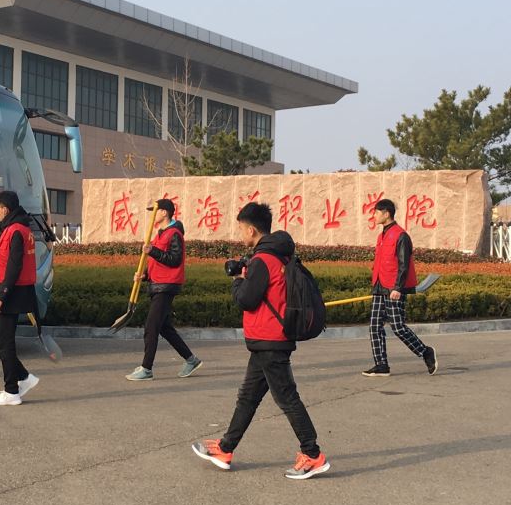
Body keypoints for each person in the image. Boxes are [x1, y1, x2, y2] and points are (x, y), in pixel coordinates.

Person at [191, 201, 329, 480]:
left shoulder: (263, 260)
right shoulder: (280, 256)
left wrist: (238, 280)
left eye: (241, 229)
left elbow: (246, 300)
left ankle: (312, 454)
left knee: (287, 397)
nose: (241, 234)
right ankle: (225, 448)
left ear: (251, 230)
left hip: (270, 339)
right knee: (248, 397)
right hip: (269, 339)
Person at [125, 198, 201, 381]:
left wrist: (152, 251)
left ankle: (146, 369)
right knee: (164, 328)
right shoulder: (160, 234)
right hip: (157, 284)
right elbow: (157, 262)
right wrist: (144, 275)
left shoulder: (174, 233)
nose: (154, 215)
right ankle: (191, 360)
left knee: (151, 327)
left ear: (164, 212)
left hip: (166, 286)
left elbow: (174, 260)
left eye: (156, 211)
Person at [361, 199, 436, 377]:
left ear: (386, 214)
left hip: (394, 288)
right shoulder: (381, 236)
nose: (374, 216)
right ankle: (381, 365)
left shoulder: (401, 236)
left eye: (376, 212)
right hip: (379, 287)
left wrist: (398, 287)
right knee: (374, 326)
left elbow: (404, 265)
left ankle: (425, 351)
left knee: (398, 327)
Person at [0, 190, 39, 406]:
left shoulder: (16, 231)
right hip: (12, 290)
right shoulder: (18, 228)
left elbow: (14, 267)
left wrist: (1, 296)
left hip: (12, 293)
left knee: (5, 342)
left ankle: (11, 391)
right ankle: (24, 377)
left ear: (5, 209)